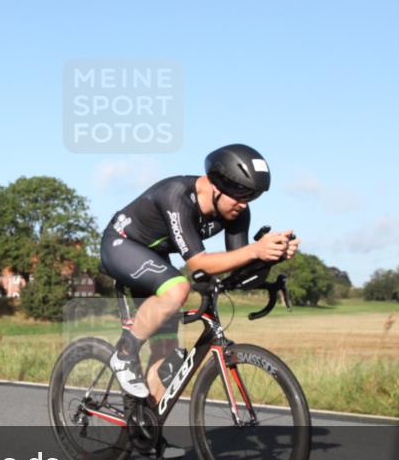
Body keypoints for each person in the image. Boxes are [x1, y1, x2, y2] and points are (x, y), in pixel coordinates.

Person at [100, 144, 300, 400]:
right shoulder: (177, 195)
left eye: (251, 197)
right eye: (239, 195)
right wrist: (255, 250)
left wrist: (271, 257)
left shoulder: (237, 211)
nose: (243, 204)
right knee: (178, 287)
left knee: (167, 355)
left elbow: (239, 267)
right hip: (121, 244)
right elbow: (198, 263)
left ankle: (142, 435)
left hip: (153, 255)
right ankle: (124, 355)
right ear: (217, 183)